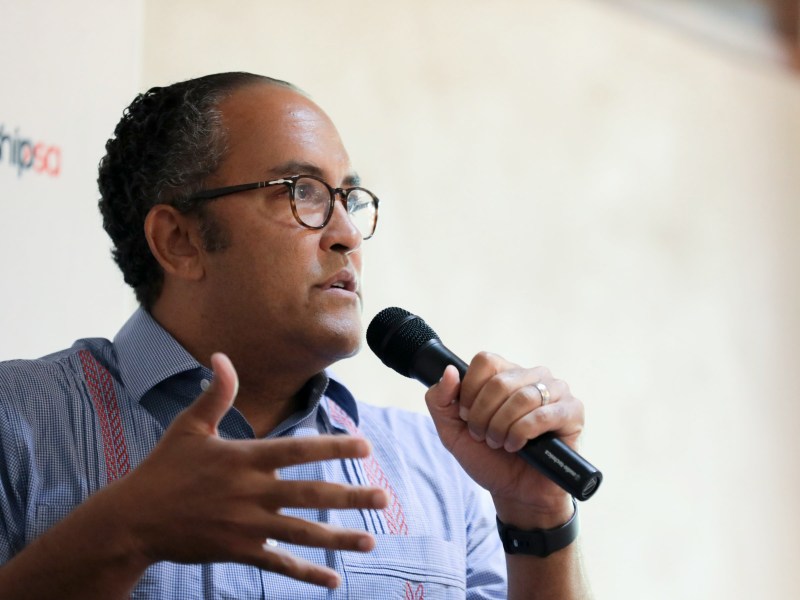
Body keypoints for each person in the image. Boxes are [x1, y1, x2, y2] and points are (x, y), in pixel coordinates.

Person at [0, 72, 591, 599]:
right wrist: (122, 534)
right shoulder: (16, 420)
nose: (347, 235)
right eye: (300, 191)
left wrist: (536, 515)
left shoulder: (439, 462)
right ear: (180, 241)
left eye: (348, 198)